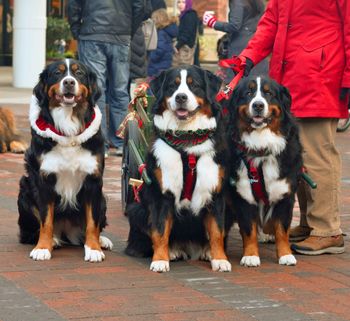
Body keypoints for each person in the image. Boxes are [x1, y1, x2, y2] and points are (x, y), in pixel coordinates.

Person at [230, 0, 350, 254]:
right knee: (299, 157)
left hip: (321, 77)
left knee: (318, 155)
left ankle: (327, 229)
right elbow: (270, 24)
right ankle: (309, 224)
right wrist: (248, 57)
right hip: (288, 81)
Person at [68, 0, 144, 157]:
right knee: (120, 90)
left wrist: (77, 30)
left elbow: (73, 6)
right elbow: (140, 7)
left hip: (92, 34)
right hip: (120, 35)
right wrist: (128, 29)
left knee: (96, 90)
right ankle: (121, 142)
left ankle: (100, 143)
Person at [203, 0, 268, 82]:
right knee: (255, 81)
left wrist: (213, 23)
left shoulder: (238, 2)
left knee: (235, 82)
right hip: (255, 42)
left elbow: (234, 26)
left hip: (239, 46)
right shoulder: (257, 2)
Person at [147, 9, 178, 78]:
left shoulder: (161, 33)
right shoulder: (167, 31)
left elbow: (160, 49)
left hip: (157, 66)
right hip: (165, 63)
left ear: (158, 20)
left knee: (155, 85)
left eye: (153, 19)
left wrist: (150, 57)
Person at [172, 0, 199, 67]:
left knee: (183, 70)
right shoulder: (183, 15)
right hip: (183, 46)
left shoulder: (189, 15)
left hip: (185, 48)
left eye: (183, 2)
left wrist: (177, 46)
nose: (180, 4)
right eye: (179, 2)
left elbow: (186, 33)